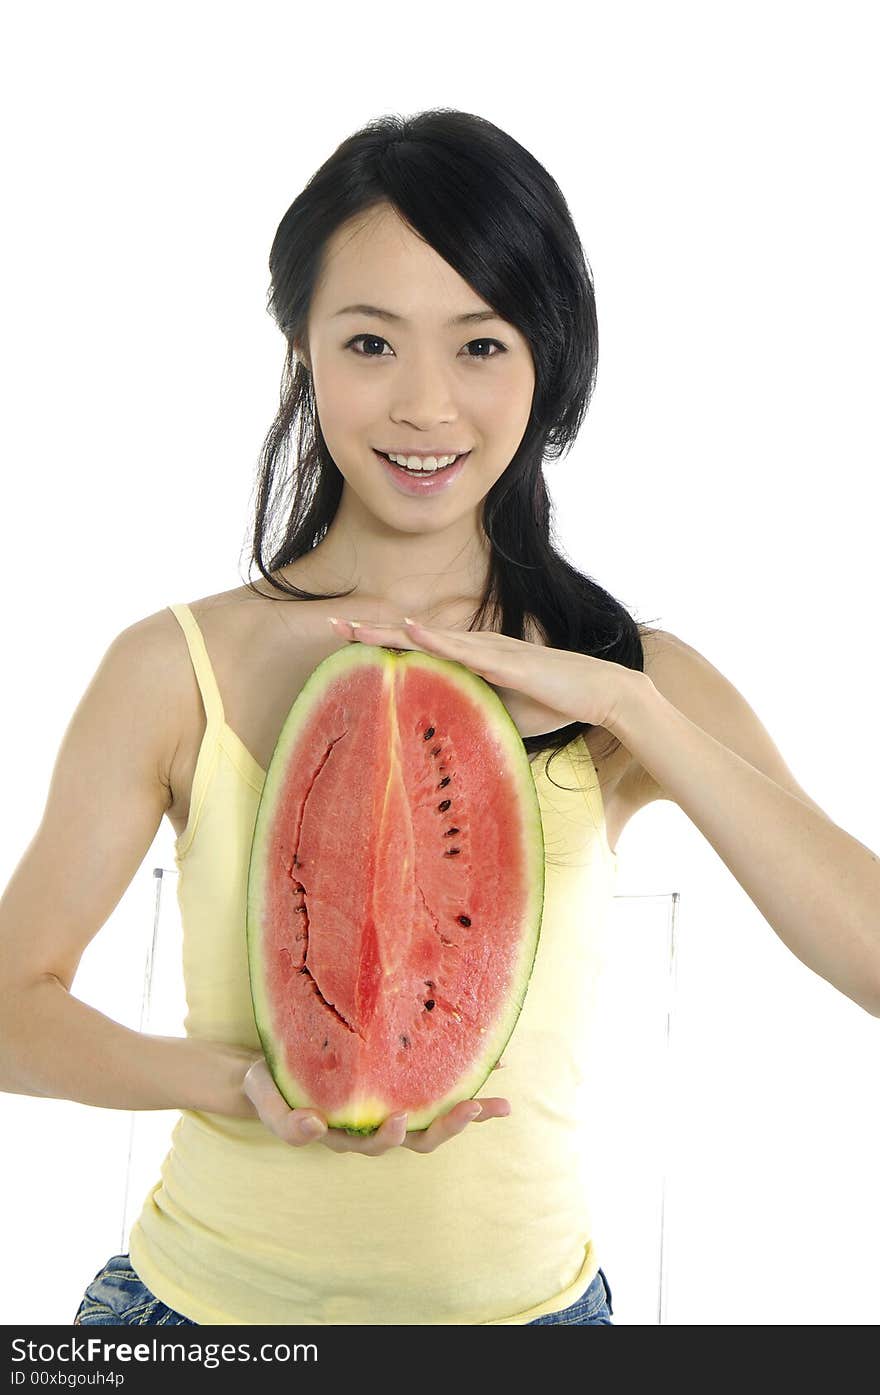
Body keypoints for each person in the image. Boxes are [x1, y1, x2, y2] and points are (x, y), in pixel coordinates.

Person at [11, 106, 857, 1328]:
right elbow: (9, 1005)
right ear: (302, 349)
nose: (423, 407)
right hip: (193, 1322)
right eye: (369, 342)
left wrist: (630, 706)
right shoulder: (172, 664)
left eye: (479, 345)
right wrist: (242, 1081)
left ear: (547, 358)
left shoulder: (631, 675)